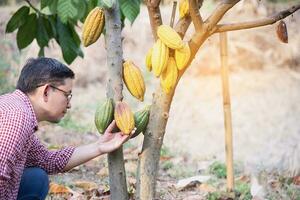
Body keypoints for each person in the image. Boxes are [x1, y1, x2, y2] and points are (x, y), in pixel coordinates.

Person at [0, 57, 132, 200]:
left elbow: (46, 161)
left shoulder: (16, 108)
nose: (69, 105)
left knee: (37, 179)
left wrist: (100, 146)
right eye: (67, 95)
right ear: (46, 91)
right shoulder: (17, 117)